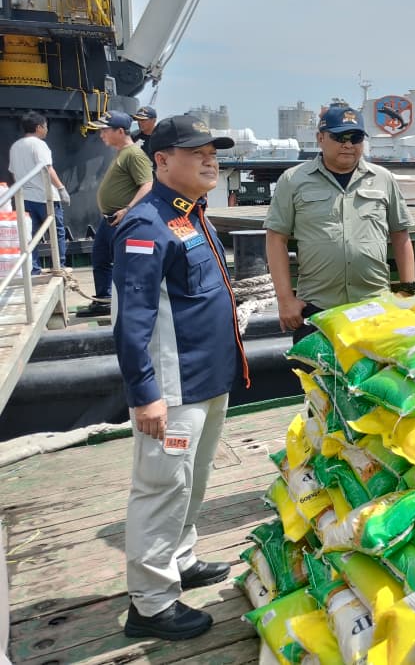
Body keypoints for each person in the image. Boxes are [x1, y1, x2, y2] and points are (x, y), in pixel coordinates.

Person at [111, 115, 246, 640]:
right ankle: (150, 603)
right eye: (198, 153)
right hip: (173, 389)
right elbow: (132, 318)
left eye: (213, 152)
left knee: (195, 478)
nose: (211, 160)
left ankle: (180, 559)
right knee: (161, 488)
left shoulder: (190, 214)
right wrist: (146, 394)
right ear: (162, 160)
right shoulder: (147, 224)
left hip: (207, 379)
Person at [265, 103, 415, 342]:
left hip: (375, 306)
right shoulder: (293, 180)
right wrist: (285, 300)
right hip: (317, 308)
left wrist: (408, 290)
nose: (348, 145)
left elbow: (400, 234)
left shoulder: (383, 179)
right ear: (320, 138)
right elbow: (276, 239)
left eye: (355, 138)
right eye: (339, 137)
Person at [78, 111, 153, 317]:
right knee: (101, 258)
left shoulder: (134, 154)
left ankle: (132, 305)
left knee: (126, 263)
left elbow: (147, 184)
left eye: (105, 130)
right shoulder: (121, 153)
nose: (101, 134)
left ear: (120, 131)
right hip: (110, 219)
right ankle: (104, 300)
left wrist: (128, 209)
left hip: (123, 219)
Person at [7, 111, 68, 273]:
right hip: (45, 197)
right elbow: (47, 169)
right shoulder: (39, 145)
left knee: (29, 235)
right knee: (56, 232)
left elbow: (13, 173)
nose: (46, 130)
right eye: (45, 126)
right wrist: (61, 188)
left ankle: (33, 269)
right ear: (39, 127)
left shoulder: (15, 146)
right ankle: (59, 265)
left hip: (25, 199)